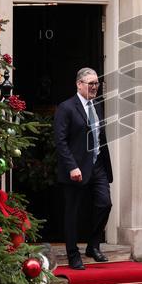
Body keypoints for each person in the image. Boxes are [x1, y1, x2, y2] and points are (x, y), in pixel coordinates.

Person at [53, 67, 114, 270]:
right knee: (73, 213)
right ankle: (73, 255)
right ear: (79, 84)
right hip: (76, 168)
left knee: (105, 203)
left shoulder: (97, 105)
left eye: (97, 83)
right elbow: (60, 141)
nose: (95, 87)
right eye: (91, 84)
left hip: (98, 165)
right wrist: (72, 167)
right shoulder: (66, 108)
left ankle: (93, 246)